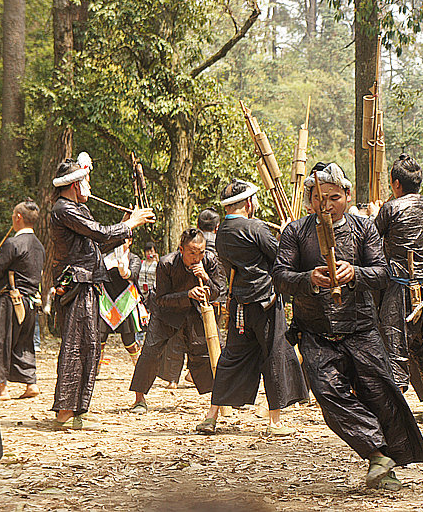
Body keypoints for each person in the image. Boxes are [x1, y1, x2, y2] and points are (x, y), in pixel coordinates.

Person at [273, 162, 423, 491]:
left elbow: (383, 273)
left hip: (361, 330)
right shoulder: (295, 232)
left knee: (380, 396)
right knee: (329, 395)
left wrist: (355, 273)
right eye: (319, 198)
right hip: (315, 332)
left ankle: (387, 467)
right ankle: (377, 455)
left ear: (347, 195)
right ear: (309, 201)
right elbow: (281, 277)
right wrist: (308, 279)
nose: (326, 205)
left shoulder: (364, 228)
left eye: (334, 197)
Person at [49, 153, 154, 430]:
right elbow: (100, 233)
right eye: (86, 180)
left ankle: (74, 410)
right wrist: (129, 224)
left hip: (87, 284)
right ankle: (64, 413)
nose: (89, 186)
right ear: (75, 184)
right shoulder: (64, 209)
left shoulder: (76, 209)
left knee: (88, 346)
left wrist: (124, 228)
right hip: (77, 285)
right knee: (76, 345)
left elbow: (97, 245)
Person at [196, 180, 307, 436]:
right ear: (249, 203)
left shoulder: (223, 231)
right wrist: (289, 235)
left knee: (231, 357)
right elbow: (281, 257)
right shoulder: (256, 228)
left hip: (240, 305)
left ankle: (211, 415)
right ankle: (275, 422)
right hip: (265, 302)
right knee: (274, 355)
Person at [374, 154, 423, 423]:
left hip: (400, 286)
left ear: (396, 184)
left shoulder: (390, 208)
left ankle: (397, 414)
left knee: (395, 346)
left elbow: (372, 238)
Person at [128, 229, 225, 414]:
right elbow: (161, 299)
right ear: (181, 250)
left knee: (210, 352)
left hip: (195, 311)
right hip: (166, 313)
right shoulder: (167, 263)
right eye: (192, 253)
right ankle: (139, 399)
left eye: (201, 252)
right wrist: (187, 294)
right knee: (150, 352)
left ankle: (221, 399)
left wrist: (206, 278)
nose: (197, 258)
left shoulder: (209, 260)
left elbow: (217, 292)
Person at [0, 199, 45, 401]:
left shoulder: (13, 243)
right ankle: (31, 384)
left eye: (13, 215)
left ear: (18, 217)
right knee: (24, 342)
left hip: (11, 300)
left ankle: (2, 389)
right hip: (31, 302)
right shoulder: (39, 246)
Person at [98, 238, 145, 365]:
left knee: (129, 341)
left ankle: (139, 368)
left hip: (126, 303)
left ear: (130, 241)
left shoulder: (133, 259)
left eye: (123, 241)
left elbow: (133, 274)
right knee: (99, 338)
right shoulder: (105, 259)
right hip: (106, 303)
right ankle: (94, 370)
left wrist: (124, 271)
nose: (120, 244)